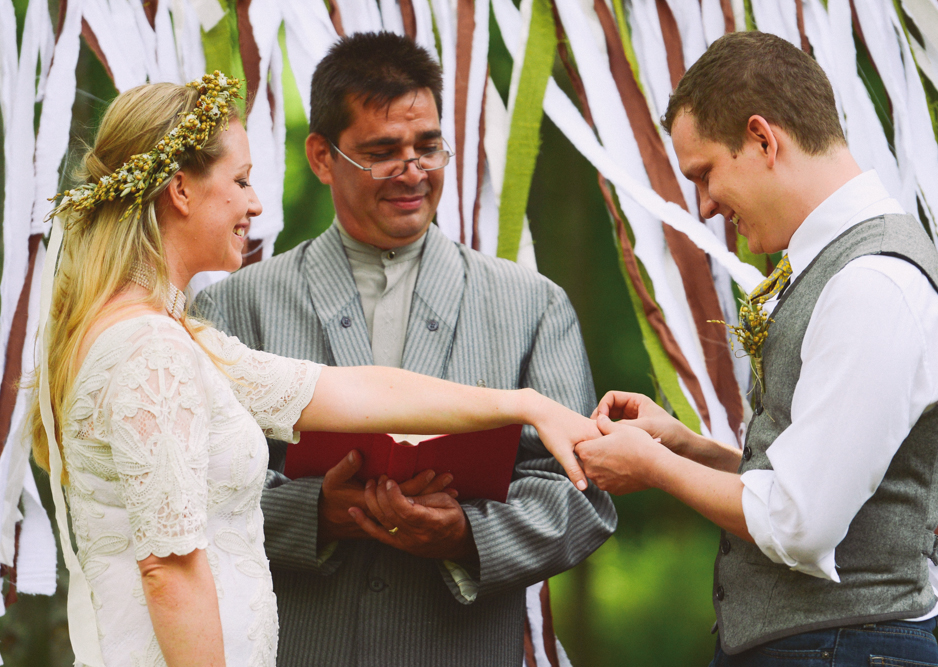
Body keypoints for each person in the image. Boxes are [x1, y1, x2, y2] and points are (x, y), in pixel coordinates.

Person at [28, 73, 599, 667]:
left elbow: (354, 390)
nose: (254, 204)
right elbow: (170, 571)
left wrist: (525, 404)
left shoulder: (172, 338)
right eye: (242, 181)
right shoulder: (153, 350)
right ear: (181, 191)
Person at [193, 32, 616, 667]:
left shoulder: (533, 304)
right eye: (383, 152)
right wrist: (315, 514)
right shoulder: (236, 306)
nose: (413, 172)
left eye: (429, 147)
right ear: (321, 156)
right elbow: (192, 484)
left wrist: (469, 532)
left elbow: (584, 495)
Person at [575, 31, 938, 666]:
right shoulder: (848, 269)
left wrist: (654, 470)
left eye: (704, 174)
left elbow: (800, 523)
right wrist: (681, 444)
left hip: (840, 648)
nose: (703, 207)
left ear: (763, 139)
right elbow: (809, 480)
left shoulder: (873, 283)